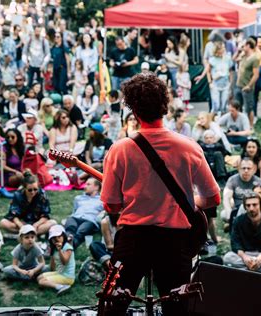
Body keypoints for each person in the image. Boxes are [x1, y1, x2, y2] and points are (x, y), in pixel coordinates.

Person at [100, 73, 220, 315]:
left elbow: (111, 206)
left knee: (113, 306)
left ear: (133, 109)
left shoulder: (120, 150)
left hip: (134, 240)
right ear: (165, 106)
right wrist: (190, 202)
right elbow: (212, 198)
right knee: (177, 309)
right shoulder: (189, 147)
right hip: (175, 242)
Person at [0, 171, 57, 236]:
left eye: (35, 189)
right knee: (3, 222)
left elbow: (45, 215)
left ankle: (25, 234)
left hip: (37, 223)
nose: (33, 192)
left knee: (53, 223)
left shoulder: (42, 195)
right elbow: (13, 215)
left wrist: (36, 225)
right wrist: (21, 226)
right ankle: (31, 234)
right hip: (22, 222)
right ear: (24, 188)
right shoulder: (17, 195)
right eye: (30, 190)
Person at [64, 178, 103, 250]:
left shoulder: (101, 200)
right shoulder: (78, 198)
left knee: (81, 231)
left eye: (88, 184)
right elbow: (74, 211)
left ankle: (69, 246)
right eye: (85, 184)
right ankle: (68, 241)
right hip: (75, 218)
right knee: (70, 228)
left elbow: (104, 214)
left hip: (89, 221)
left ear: (96, 187)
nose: (85, 186)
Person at [37, 224, 75, 295]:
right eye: (54, 238)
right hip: (59, 272)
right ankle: (54, 284)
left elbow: (65, 262)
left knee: (41, 281)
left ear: (64, 236)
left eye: (59, 236)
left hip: (67, 276)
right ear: (51, 240)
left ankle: (60, 287)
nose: (57, 239)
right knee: (39, 277)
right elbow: (52, 268)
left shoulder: (67, 247)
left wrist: (60, 250)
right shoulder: (54, 249)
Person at [222, 157, 260, 224]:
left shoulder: (258, 181)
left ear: (254, 169)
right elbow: (226, 198)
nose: (246, 170)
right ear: (239, 169)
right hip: (236, 208)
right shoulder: (232, 180)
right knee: (224, 214)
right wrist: (229, 215)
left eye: (249, 168)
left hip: (251, 208)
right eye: (243, 168)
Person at [235, 39, 259, 126]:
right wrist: (238, 51)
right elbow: (234, 59)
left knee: (249, 108)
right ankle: (241, 125)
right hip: (238, 85)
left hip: (246, 87)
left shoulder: (255, 58)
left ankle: (251, 126)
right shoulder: (243, 56)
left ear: (248, 46)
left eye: (244, 45)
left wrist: (249, 85)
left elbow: (256, 75)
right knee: (238, 106)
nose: (242, 47)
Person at [206, 41, 232, 114]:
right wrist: (210, 82)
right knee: (216, 105)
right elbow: (208, 71)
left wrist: (230, 83)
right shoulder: (212, 60)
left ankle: (223, 122)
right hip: (215, 85)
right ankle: (213, 122)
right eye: (222, 48)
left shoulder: (227, 58)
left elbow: (230, 71)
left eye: (224, 47)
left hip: (225, 84)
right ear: (217, 49)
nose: (224, 49)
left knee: (224, 105)